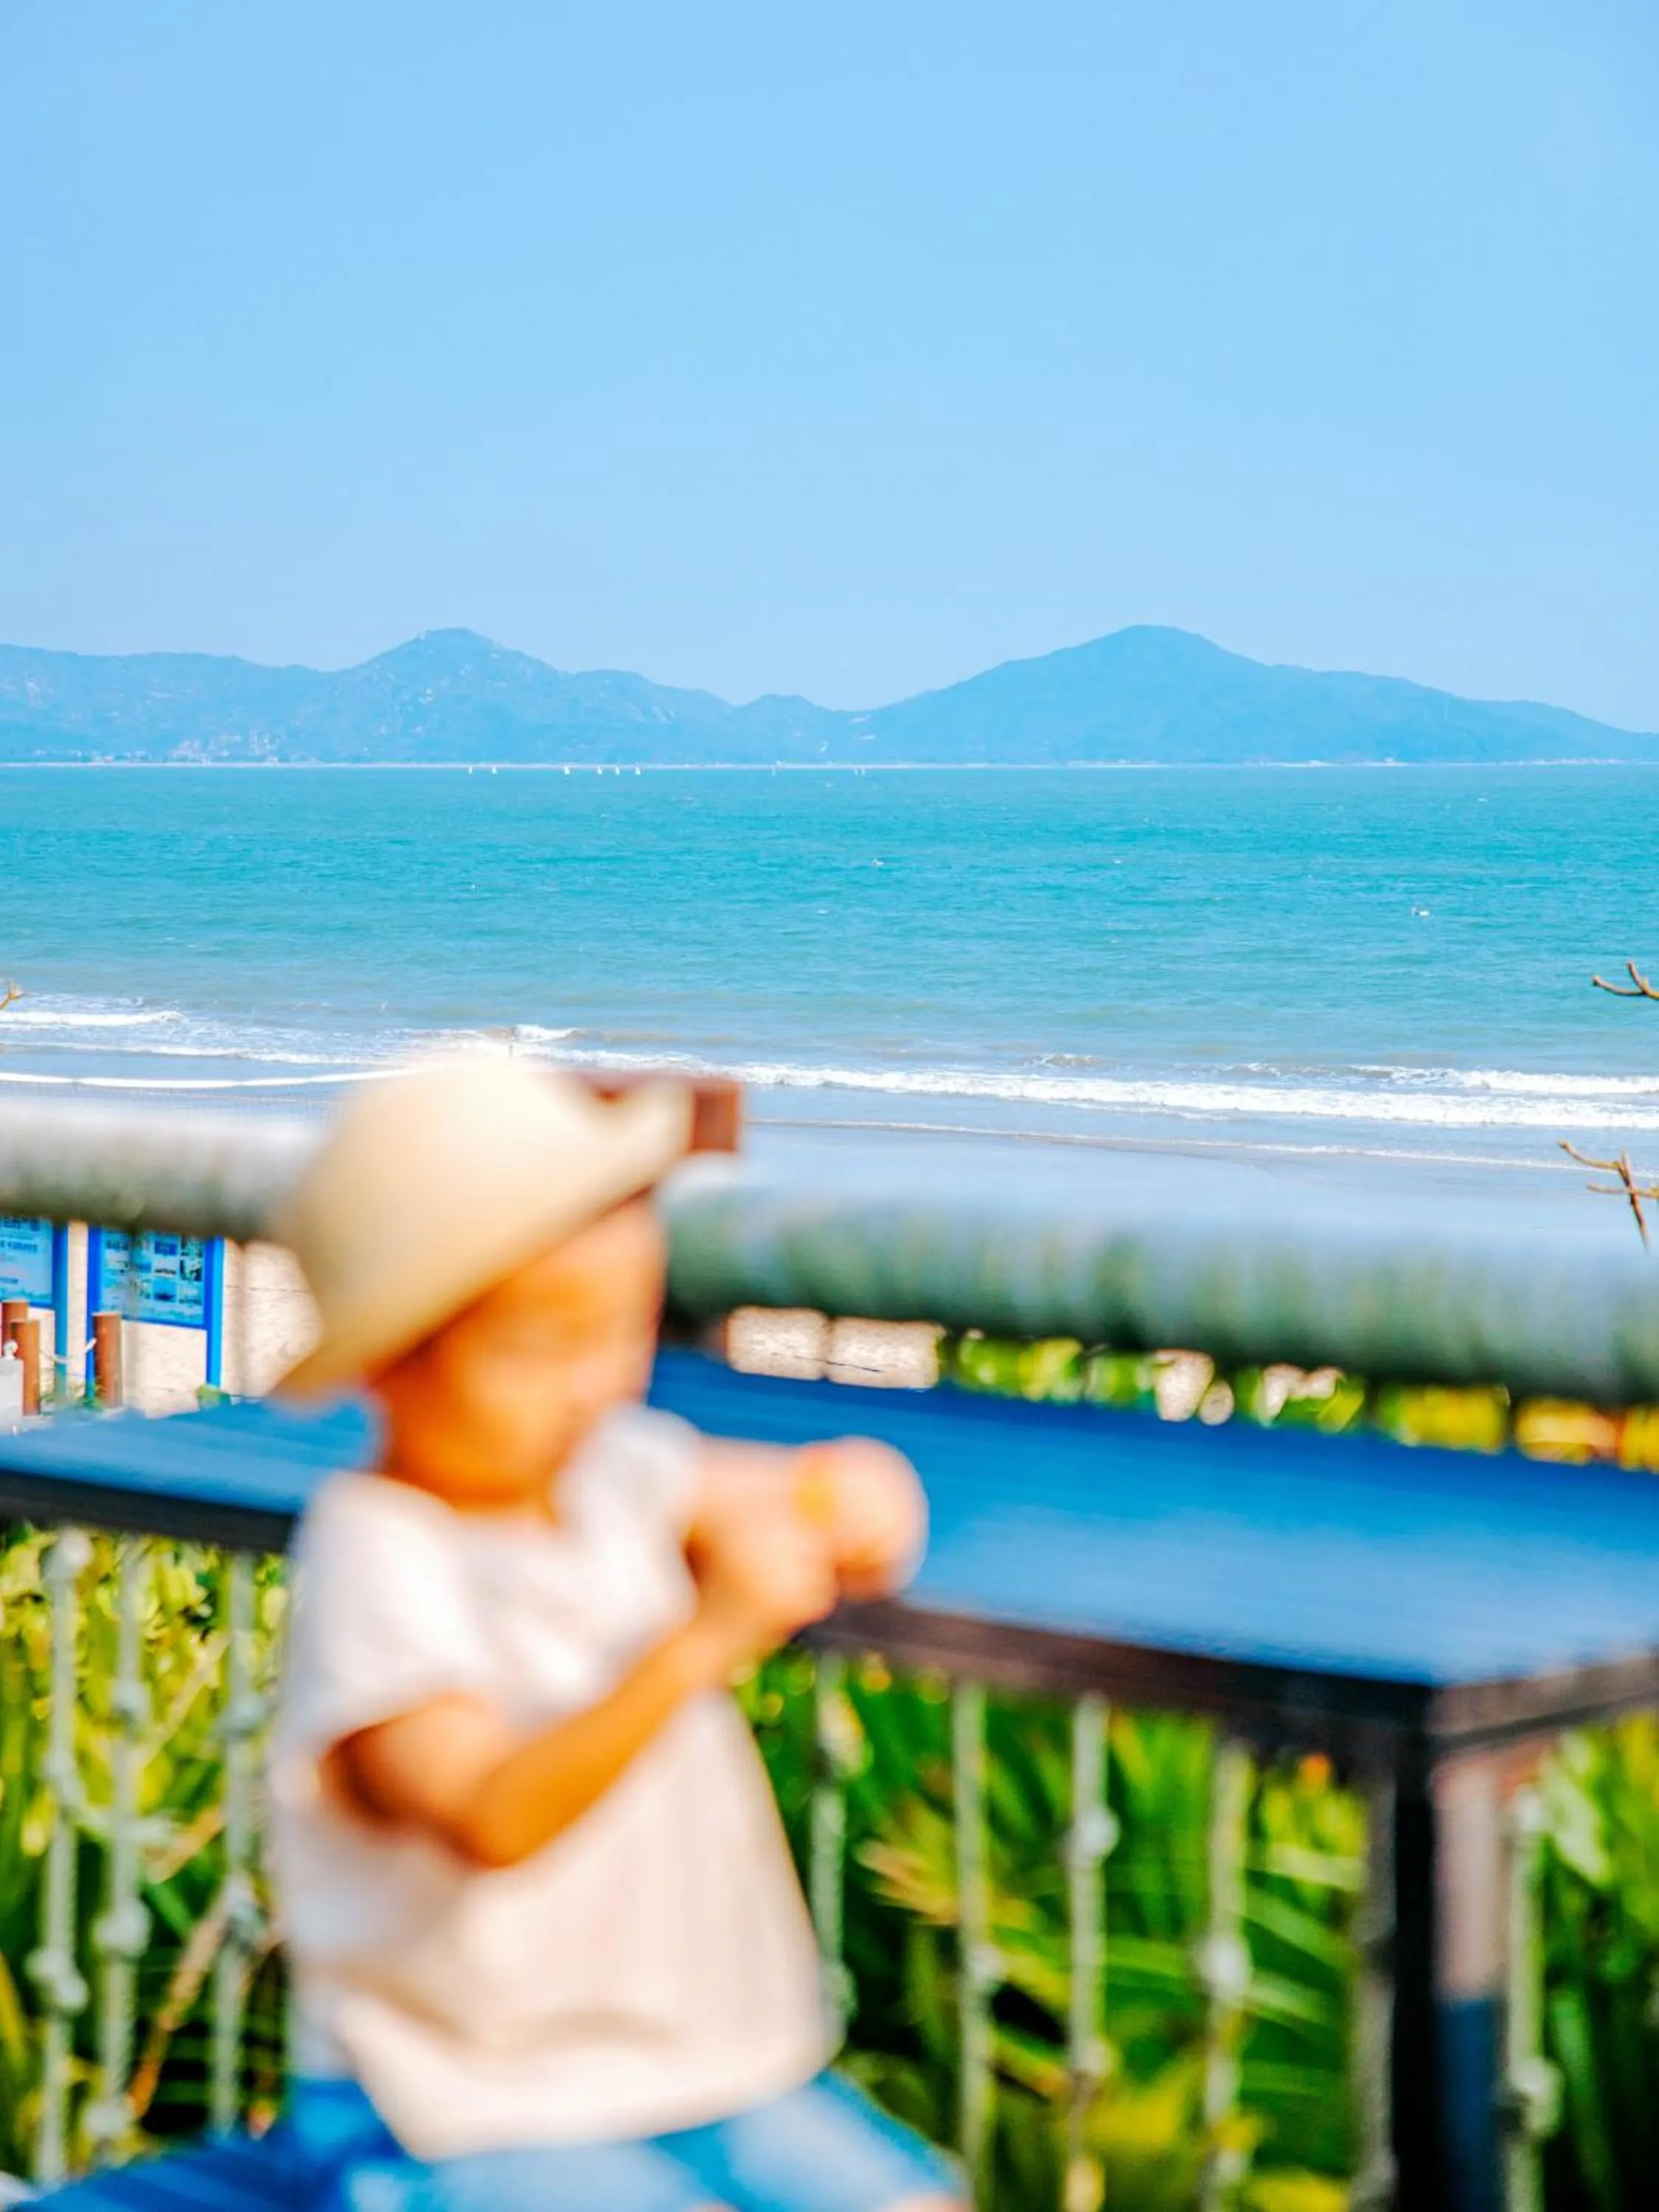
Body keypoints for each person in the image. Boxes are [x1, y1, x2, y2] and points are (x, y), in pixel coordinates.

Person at [268, 1057, 965, 2212]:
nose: (591, 1385)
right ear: (392, 1361)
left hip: (697, 2078)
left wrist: (856, 1496)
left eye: (620, 1329)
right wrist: (702, 1641)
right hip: (448, 2102)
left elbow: (800, 1496)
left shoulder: (615, 1475)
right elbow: (486, 1814)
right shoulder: (382, 1551)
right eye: (540, 1348)